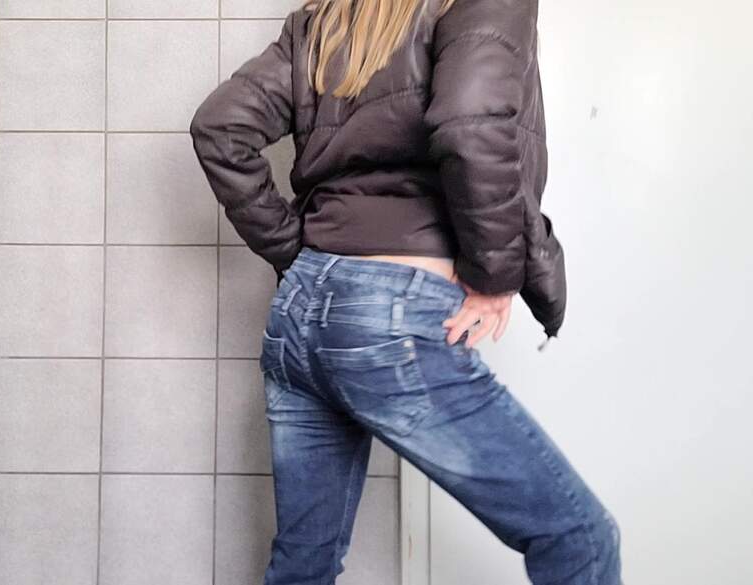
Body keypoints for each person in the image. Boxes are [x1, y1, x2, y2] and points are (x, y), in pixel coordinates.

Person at [189, 0, 622, 583]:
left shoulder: (327, 18)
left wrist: (299, 256)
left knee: (303, 564)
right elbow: (469, 119)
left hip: (299, 314)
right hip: (390, 317)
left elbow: (219, 126)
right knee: (579, 537)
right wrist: (495, 274)